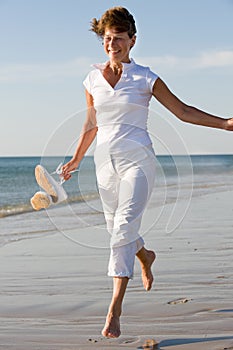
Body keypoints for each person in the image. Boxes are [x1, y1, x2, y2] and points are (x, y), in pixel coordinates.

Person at [61, 7, 233, 338]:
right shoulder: (92, 78)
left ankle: (114, 309)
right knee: (116, 229)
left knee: (122, 228)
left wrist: (224, 124)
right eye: (108, 39)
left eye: (119, 38)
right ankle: (145, 254)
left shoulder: (145, 78)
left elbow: (182, 111)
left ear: (132, 40)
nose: (113, 44)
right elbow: (91, 122)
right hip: (103, 164)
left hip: (138, 160)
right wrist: (76, 159)